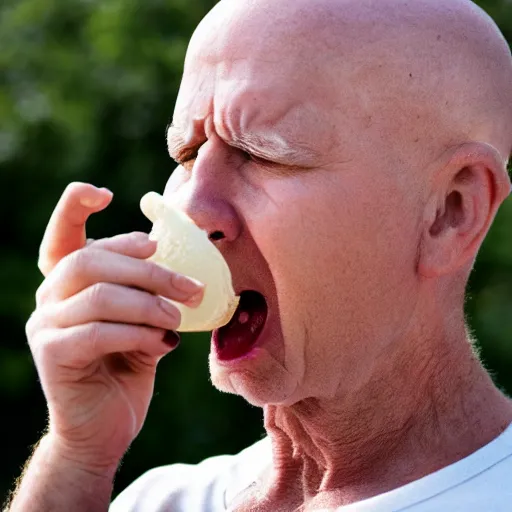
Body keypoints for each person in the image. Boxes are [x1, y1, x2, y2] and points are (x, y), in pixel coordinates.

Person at [5, 0, 512, 510]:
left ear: (451, 211)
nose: (191, 209)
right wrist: (76, 455)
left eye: (262, 153)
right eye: (186, 154)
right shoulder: (158, 500)